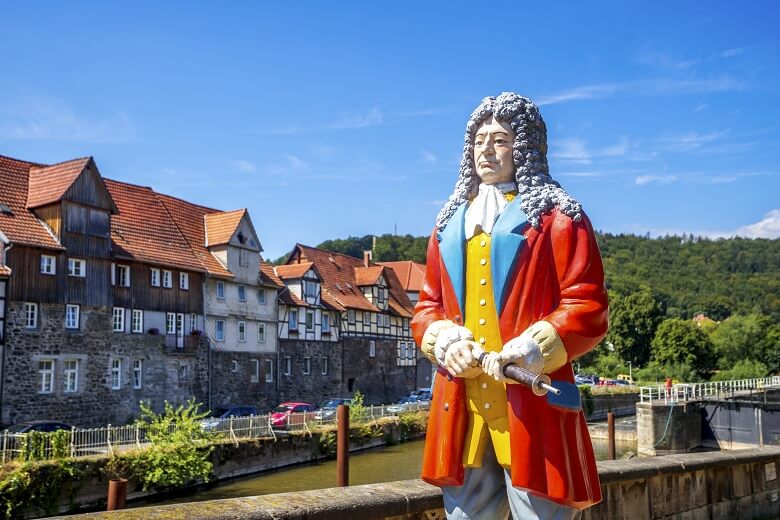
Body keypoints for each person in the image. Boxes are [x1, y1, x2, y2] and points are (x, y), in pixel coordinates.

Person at [412, 92, 608, 520]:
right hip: (463, 408)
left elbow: (588, 304)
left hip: (533, 408)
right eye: (480, 139)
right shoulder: (447, 226)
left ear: (525, 148)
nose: (486, 148)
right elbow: (426, 307)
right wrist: (443, 340)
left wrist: (536, 346)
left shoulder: (559, 218)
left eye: (499, 139)